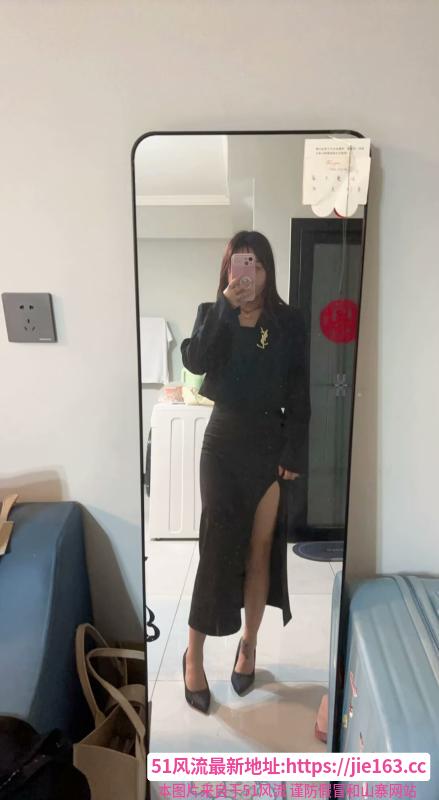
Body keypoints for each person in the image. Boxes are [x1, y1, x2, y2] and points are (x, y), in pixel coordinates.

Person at [180, 230, 311, 713]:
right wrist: (224, 308)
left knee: (260, 550)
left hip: (269, 445)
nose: (248, 273)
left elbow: (299, 389)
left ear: (268, 270)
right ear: (228, 269)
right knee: (215, 549)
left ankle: (249, 645)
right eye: (240, 262)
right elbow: (195, 361)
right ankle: (193, 656)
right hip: (222, 445)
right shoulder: (211, 313)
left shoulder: (289, 322)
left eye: (256, 263)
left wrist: (294, 452)